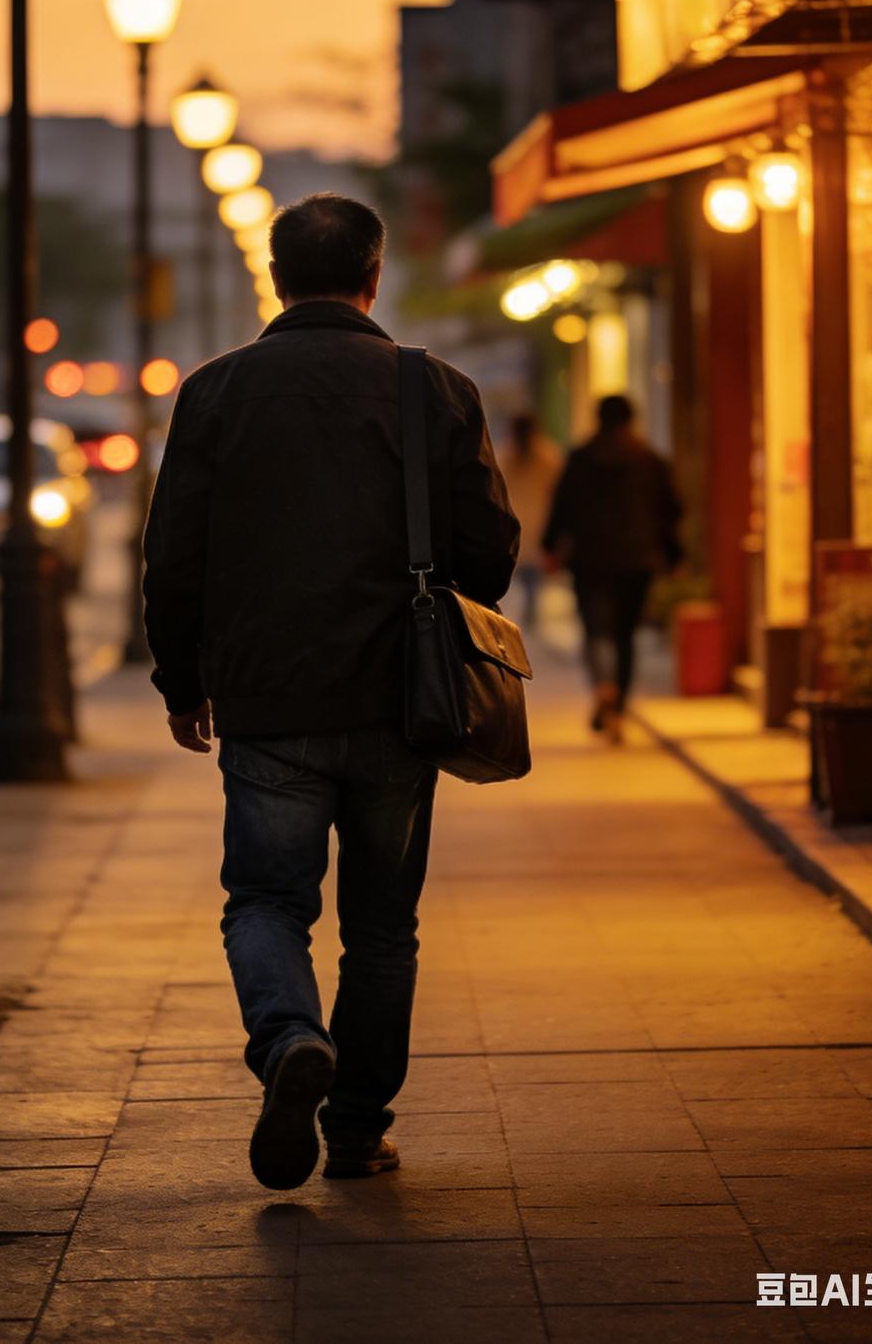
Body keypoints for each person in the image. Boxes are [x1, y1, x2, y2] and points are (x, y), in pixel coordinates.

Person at [143, 192, 519, 1191]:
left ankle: (287, 1041)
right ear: (374, 273)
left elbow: (171, 556)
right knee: (382, 926)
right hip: (399, 697)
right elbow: (489, 552)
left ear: (274, 275)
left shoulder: (215, 392)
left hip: (267, 698)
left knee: (265, 898)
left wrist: (182, 679)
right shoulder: (428, 387)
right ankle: (356, 1129)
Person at [542, 393, 682, 742]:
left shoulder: (579, 458)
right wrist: (673, 555)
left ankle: (602, 684)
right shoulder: (650, 460)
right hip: (637, 560)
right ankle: (618, 707)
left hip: (589, 560)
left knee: (595, 630)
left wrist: (550, 546)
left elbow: (562, 507)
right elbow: (671, 511)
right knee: (625, 636)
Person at [496, 412, 563, 631]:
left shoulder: (504, 455)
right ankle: (531, 606)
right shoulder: (549, 456)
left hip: (515, 521)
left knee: (524, 571)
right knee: (531, 572)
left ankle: (529, 606)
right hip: (540, 522)